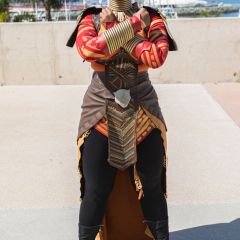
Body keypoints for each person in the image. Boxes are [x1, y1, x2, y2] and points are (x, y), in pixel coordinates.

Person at [66, 0, 178, 239]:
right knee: (95, 191)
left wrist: (115, 31)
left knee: (152, 189)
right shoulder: (93, 18)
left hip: (144, 115)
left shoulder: (152, 17)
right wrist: (135, 25)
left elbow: (157, 57)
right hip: (99, 115)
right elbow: (88, 50)